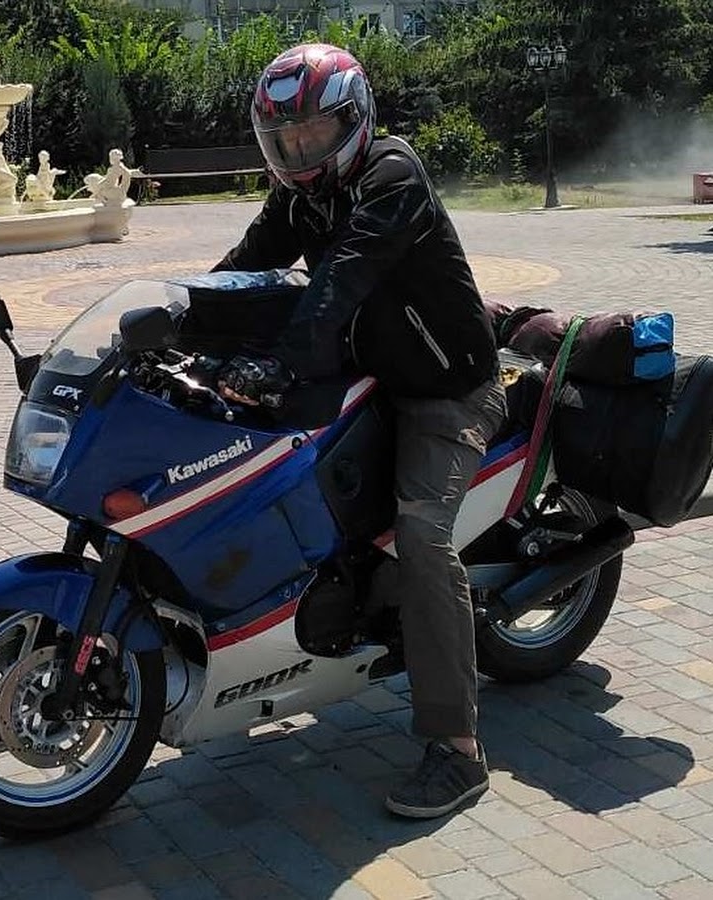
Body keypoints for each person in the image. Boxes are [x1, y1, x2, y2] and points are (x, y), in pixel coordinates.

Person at [213, 43, 506, 819]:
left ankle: (458, 750)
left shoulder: (392, 175)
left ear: (354, 118)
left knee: (421, 536)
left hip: (448, 392)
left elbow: (340, 281)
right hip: (368, 382)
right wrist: (169, 325)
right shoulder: (300, 198)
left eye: (314, 132)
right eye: (287, 138)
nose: (301, 149)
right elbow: (241, 270)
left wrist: (280, 361)